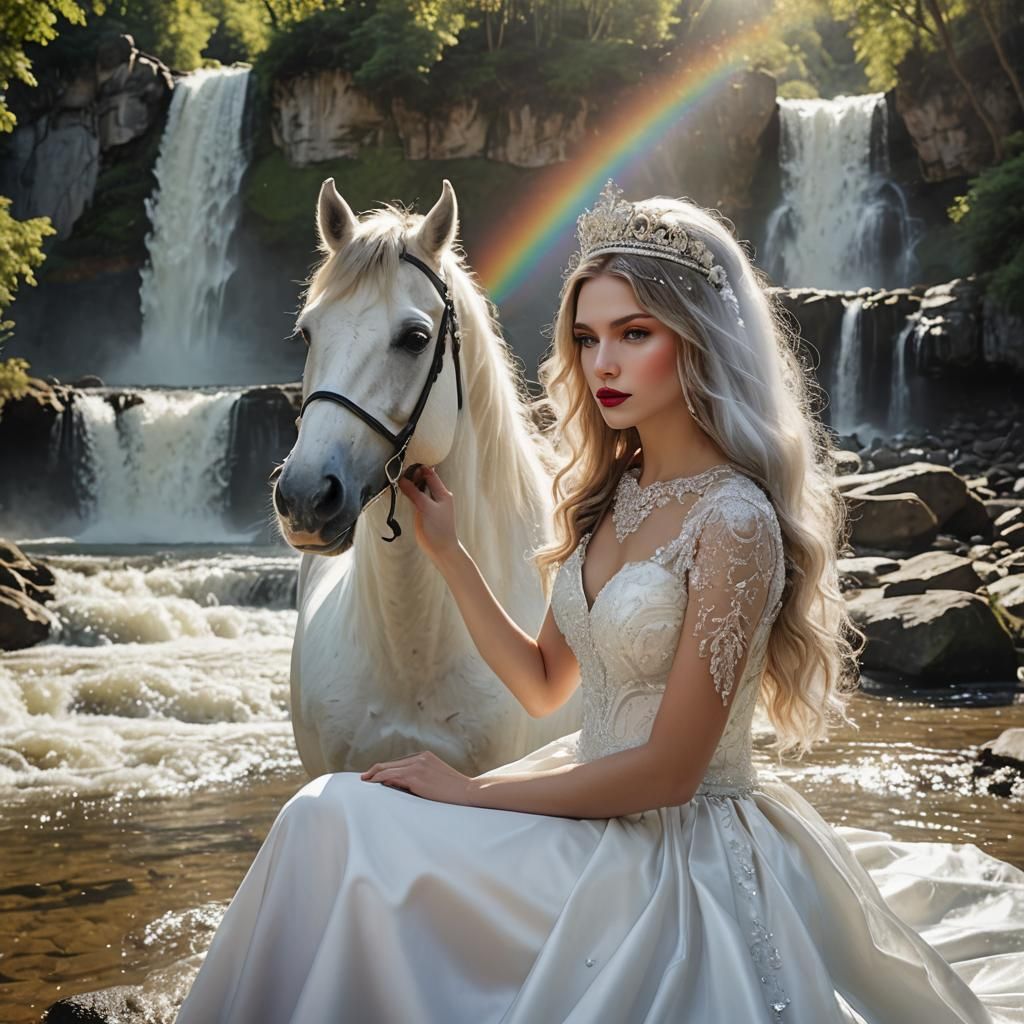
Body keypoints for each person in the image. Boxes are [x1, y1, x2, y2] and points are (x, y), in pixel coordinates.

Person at [174, 182, 1024, 1023]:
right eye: (586, 338)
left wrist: (472, 796)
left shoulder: (736, 522)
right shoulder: (612, 498)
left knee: (337, 822)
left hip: (672, 851)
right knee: (322, 817)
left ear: (697, 340)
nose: (603, 364)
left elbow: (672, 773)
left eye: (634, 333)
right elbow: (544, 681)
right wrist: (449, 553)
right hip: (578, 809)